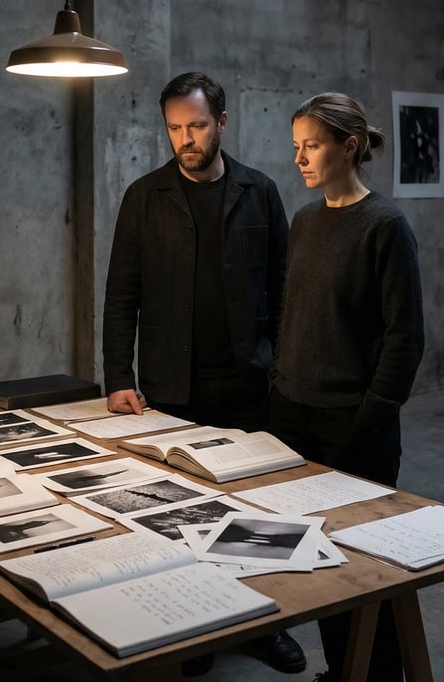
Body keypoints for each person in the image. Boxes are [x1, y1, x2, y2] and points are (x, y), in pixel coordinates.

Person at [102, 71, 306, 677]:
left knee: (259, 515)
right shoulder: (145, 196)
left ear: (221, 121)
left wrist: (278, 364)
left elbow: (283, 287)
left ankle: (266, 623)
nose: (185, 139)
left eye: (195, 125)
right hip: (170, 388)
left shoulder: (260, 191)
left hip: (249, 384)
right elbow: (121, 294)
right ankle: (197, 628)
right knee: (181, 512)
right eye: (174, 128)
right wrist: (118, 375)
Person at [269, 92, 425, 682]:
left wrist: (370, 418)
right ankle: (343, 671)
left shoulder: (385, 226)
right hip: (293, 418)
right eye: (296, 148)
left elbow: (404, 339)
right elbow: (294, 313)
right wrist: (279, 386)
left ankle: (377, 675)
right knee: (315, 565)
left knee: (365, 566)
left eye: (311, 146)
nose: (300, 159)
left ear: (348, 146)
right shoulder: (306, 220)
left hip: (354, 426)